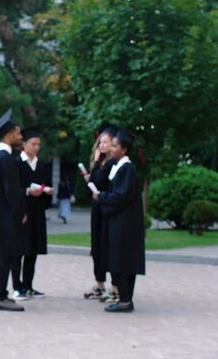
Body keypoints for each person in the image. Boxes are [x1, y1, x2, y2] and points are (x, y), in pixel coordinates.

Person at [92, 127, 145, 313]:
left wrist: (102, 197)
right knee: (123, 260)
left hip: (123, 224)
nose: (111, 149)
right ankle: (126, 299)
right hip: (122, 222)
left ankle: (124, 300)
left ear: (123, 149)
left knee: (120, 260)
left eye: (115, 145)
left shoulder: (126, 169)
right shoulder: (120, 167)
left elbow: (121, 196)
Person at [0, 109, 27, 312]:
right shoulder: (7, 160)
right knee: (6, 255)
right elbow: (12, 193)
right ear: (9, 134)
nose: (21, 137)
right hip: (6, 216)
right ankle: (1, 296)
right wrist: (21, 214)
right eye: (18, 133)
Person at [11, 126, 53, 300]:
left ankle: (28, 285)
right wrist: (28, 191)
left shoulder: (41, 165)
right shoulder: (16, 164)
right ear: (24, 144)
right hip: (22, 212)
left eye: (39, 144)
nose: (36, 147)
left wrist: (47, 191)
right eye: (33, 143)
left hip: (37, 212)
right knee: (18, 250)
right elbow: (12, 189)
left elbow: (47, 184)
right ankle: (16, 287)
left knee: (33, 249)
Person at [82, 123, 120, 303]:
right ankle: (99, 285)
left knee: (107, 247)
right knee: (96, 247)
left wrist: (96, 163)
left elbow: (98, 181)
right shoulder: (102, 163)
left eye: (106, 142)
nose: (101, 146)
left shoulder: (112, 163)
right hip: (97, 210)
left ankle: (115, 288)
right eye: (100, 142)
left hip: (107, 210)